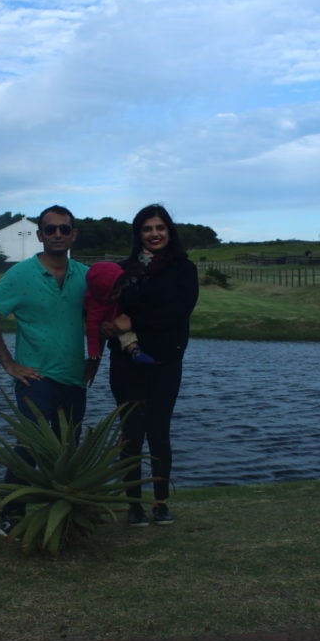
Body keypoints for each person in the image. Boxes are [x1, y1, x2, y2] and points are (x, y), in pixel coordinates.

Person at [0, 205, 90, 537]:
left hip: (73, 379)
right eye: (50, 229)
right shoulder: (21, 274)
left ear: (73, 235)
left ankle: (65, 515)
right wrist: (9, 364)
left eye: (64, 229)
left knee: (69, 448)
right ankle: (11, 514)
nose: (57, 234)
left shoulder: (85, 275)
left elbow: (102, 317)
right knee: (30, 446)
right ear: (40, 235)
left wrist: (95, 359)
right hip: (36, 378)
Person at [103, 204, 198, 527]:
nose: (154, 234)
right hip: (125, 363)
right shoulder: (124, 269)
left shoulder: (184, 269)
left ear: (169, 232)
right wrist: (109, 326)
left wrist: (134, 322)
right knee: (131, 433)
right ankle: (133, 505)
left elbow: (178, 312)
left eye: (160, 228)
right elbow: (109, 308)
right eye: (147, 228)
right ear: (138, 234)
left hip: (165, 361)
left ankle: (160, 502)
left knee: (158, 431)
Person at [84, 261, 158, 369]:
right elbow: (92, 330)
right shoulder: (95, 307)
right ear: (101, 294)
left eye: (117, 291)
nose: (116, 297)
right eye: (112, 294)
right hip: (110, 322)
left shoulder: (123, 290)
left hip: (121, 316)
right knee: (124, 334)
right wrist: (93, 353)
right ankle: (135, 351)